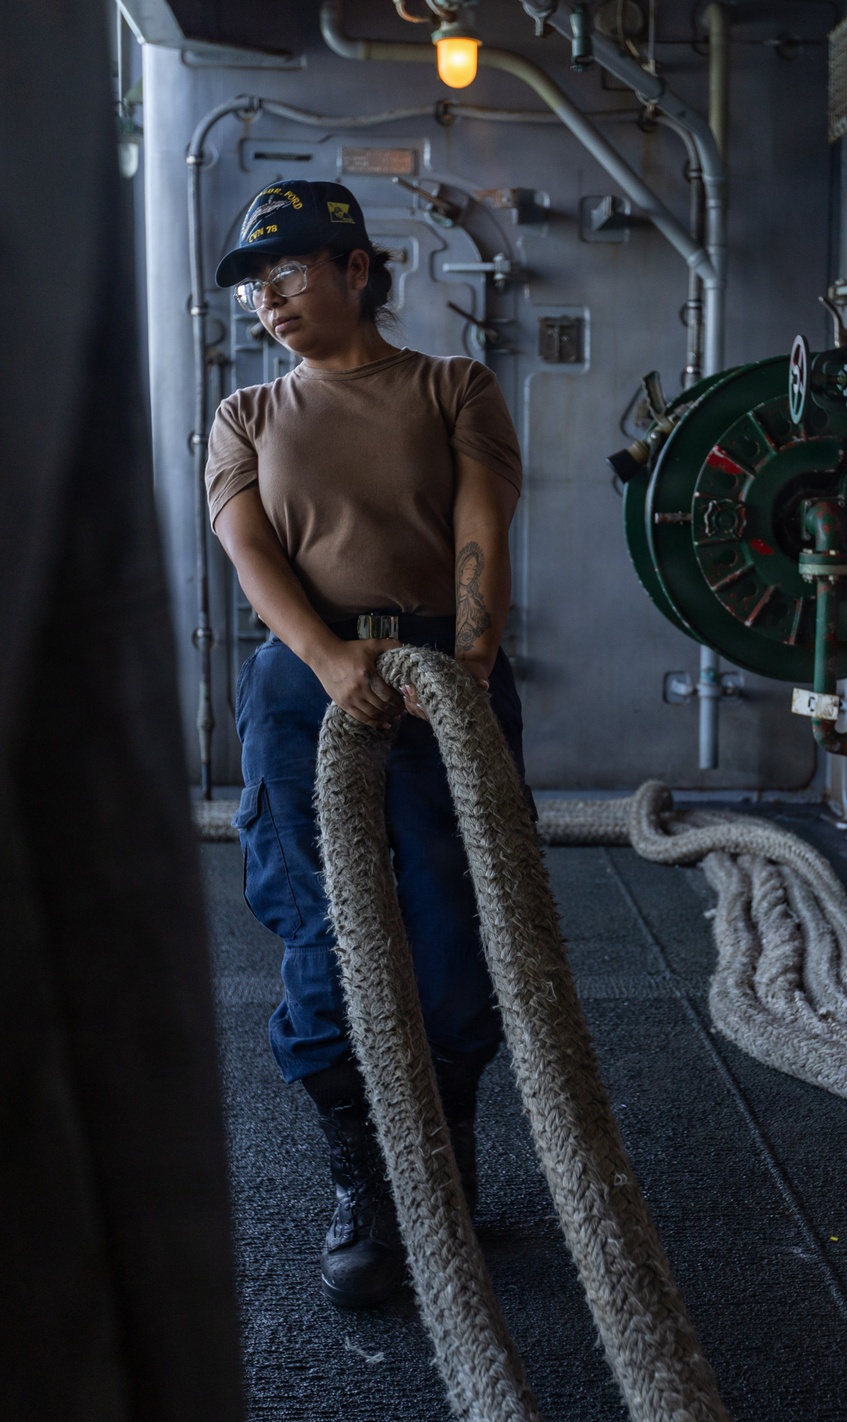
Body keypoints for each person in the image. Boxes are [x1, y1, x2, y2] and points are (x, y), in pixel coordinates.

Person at [205, 180, 528, 1310]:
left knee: (456, 917)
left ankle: (448, 1169)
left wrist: (470, 664)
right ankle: (363, 1187)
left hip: (446, 669)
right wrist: (331, 660)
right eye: (254, 285)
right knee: (319, 920)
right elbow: (251, 553)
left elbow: (482, 522)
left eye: (289, 271)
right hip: (302, 683)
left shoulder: (453, 387)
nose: (269, 299)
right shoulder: (245, 415)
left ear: (357, 268)